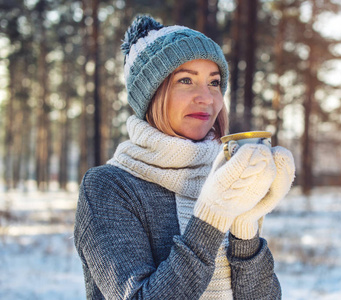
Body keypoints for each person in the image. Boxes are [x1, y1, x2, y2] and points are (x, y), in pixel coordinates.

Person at [74, 15, 295, 300]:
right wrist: (212, 217)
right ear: (152, 94)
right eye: (186, 80)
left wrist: (245, 225)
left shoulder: (225, 173)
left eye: (214, 83)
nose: (206, 97)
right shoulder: (109, 187)